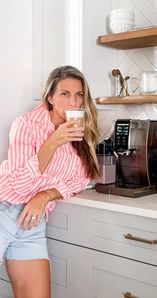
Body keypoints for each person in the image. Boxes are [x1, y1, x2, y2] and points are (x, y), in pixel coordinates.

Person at [0, 65, 100, 298]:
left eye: (79, 95)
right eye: (65, 94)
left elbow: (81, 179)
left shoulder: (80, 135)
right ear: (50, 98)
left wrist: (45, 195)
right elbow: (19, 186)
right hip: (4, 209)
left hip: (32, 224)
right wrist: (53, 142)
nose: (73, 102)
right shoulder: (26, 125)